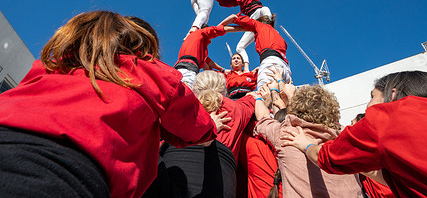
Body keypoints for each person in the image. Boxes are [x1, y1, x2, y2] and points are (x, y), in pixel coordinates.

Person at [0, 11, 218, 198]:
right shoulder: (149, 73)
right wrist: (211, 129)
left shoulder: (49, 66)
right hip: (65, 168)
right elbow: (195, 126)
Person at [282, 71, 427, 197]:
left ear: (392, 93)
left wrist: (307, 145)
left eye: (372, 96)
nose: (367, 106)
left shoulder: (386, 118)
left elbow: (326, 157)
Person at [147, 70, 256, 198]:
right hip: (221, 182)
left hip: (173, 170)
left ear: (193, 88)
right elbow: (255, 98)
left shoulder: (181, 104)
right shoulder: (238, 109)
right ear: (224, 90)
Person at [254, 82, 363, 197]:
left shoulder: (287, 134)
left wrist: (259, 98)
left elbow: (263, 118)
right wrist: (292, 96)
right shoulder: (344, 136)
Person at [215, 0, 272, 72]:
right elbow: (224, 2)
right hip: (252, 20)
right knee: (239, 47)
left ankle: (270, 29)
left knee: (265, 9)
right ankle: (246, 69)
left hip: (259, 12)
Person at [220, 14, 291, 90]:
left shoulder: (258, 25)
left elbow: (233, 17)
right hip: (285, 68)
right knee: (285, 97)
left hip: (271, 63)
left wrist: (217, 28)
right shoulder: (279, 36)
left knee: (265, 95)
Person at [175, 22, 245, 88]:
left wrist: (222, 70)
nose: (211, 40)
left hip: (178, 69)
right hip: (189, 70)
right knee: (185, 95)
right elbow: (223, 28)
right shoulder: (202, 32)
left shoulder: (192, 42)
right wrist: (247, 28)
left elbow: (207, 63)